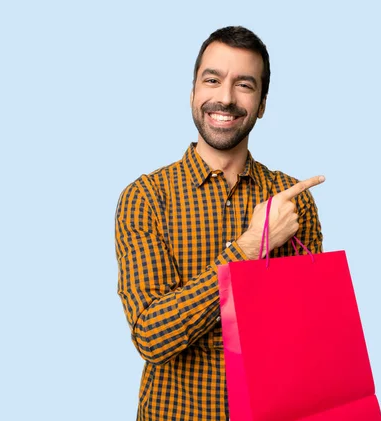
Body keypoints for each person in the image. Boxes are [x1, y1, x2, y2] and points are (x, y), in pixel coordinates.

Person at [115, 25, 325, 420]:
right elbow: (152, 335)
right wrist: (249, 249)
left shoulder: (291, 201)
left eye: (244, 85)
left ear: (262, 103)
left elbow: (306, 336)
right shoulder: (147, 197)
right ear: (194, 92)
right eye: (212, 80)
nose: (225, 98)